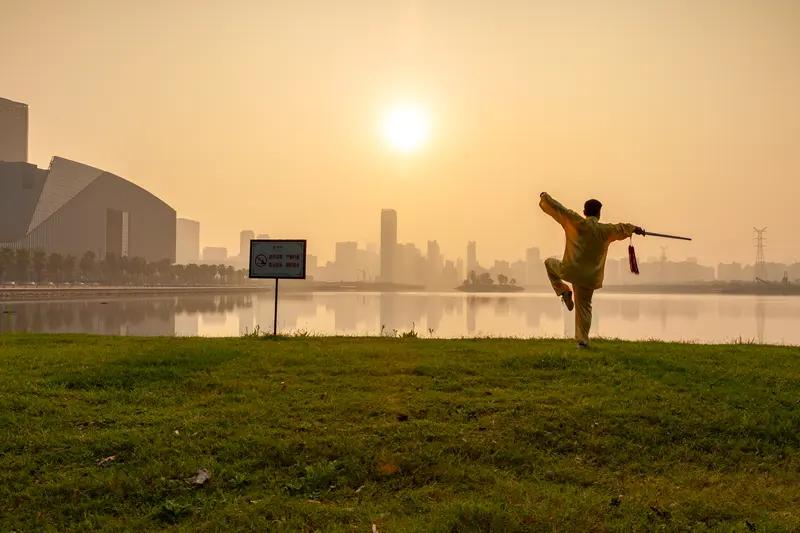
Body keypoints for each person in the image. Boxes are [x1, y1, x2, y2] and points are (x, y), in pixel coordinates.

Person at [539, 192, 644, 348]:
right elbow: (621, 228)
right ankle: (582, 341)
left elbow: (559, 209)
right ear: (599, 213)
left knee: (548, 263)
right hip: (589, 277)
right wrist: (635, 229)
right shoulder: (605, 230)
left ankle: (563, 291)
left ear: (584, 212)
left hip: (571, 270)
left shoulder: (576, 222)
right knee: (584, 308)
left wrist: (544, 197)